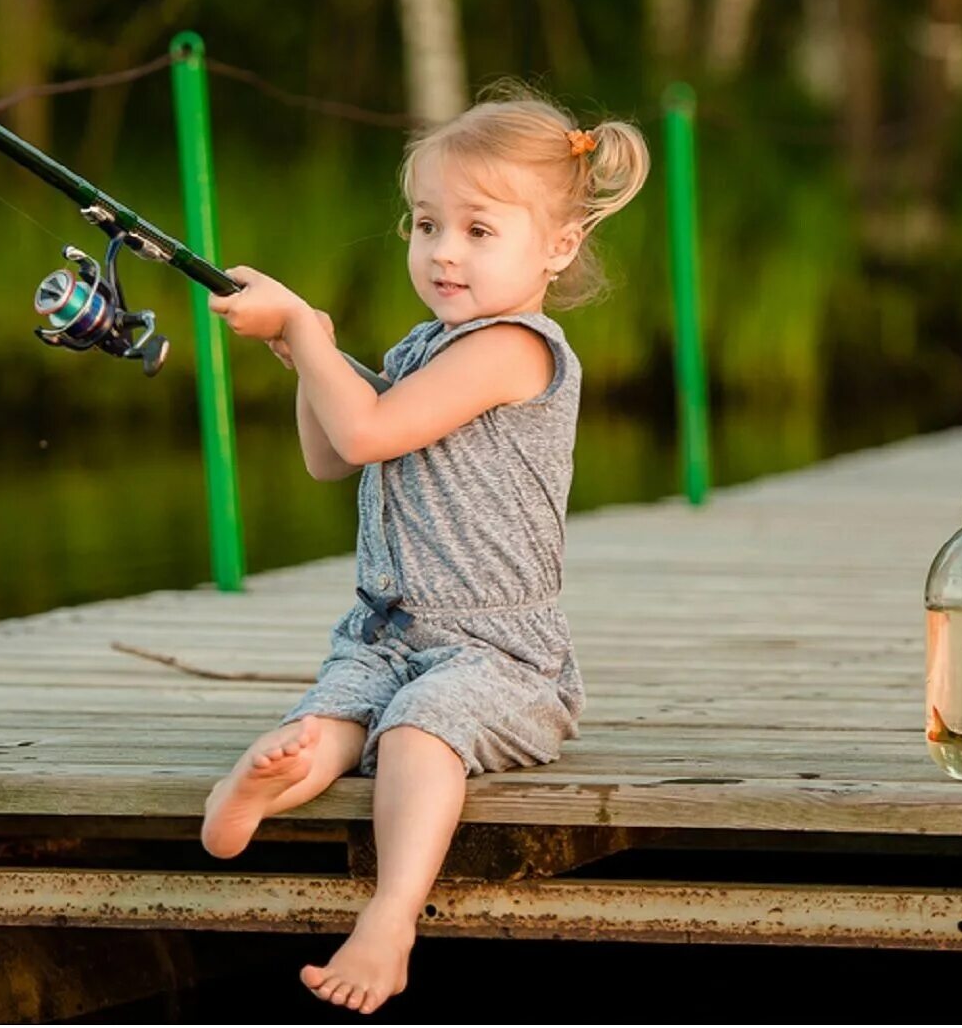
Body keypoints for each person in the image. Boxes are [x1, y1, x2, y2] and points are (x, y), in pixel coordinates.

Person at [201, 81, 649, 1015]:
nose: (443, 250)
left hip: (503, 655)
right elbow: (331, 452)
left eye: (478, 231)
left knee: (416, 728)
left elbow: (365, 435)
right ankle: (267, 780)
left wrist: (304, 332)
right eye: (425, 224)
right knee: (339, 715)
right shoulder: (420, 347)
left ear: (558, 248)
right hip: (387, 633)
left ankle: (392, 916)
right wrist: (307, 356)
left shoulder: (515, 349)